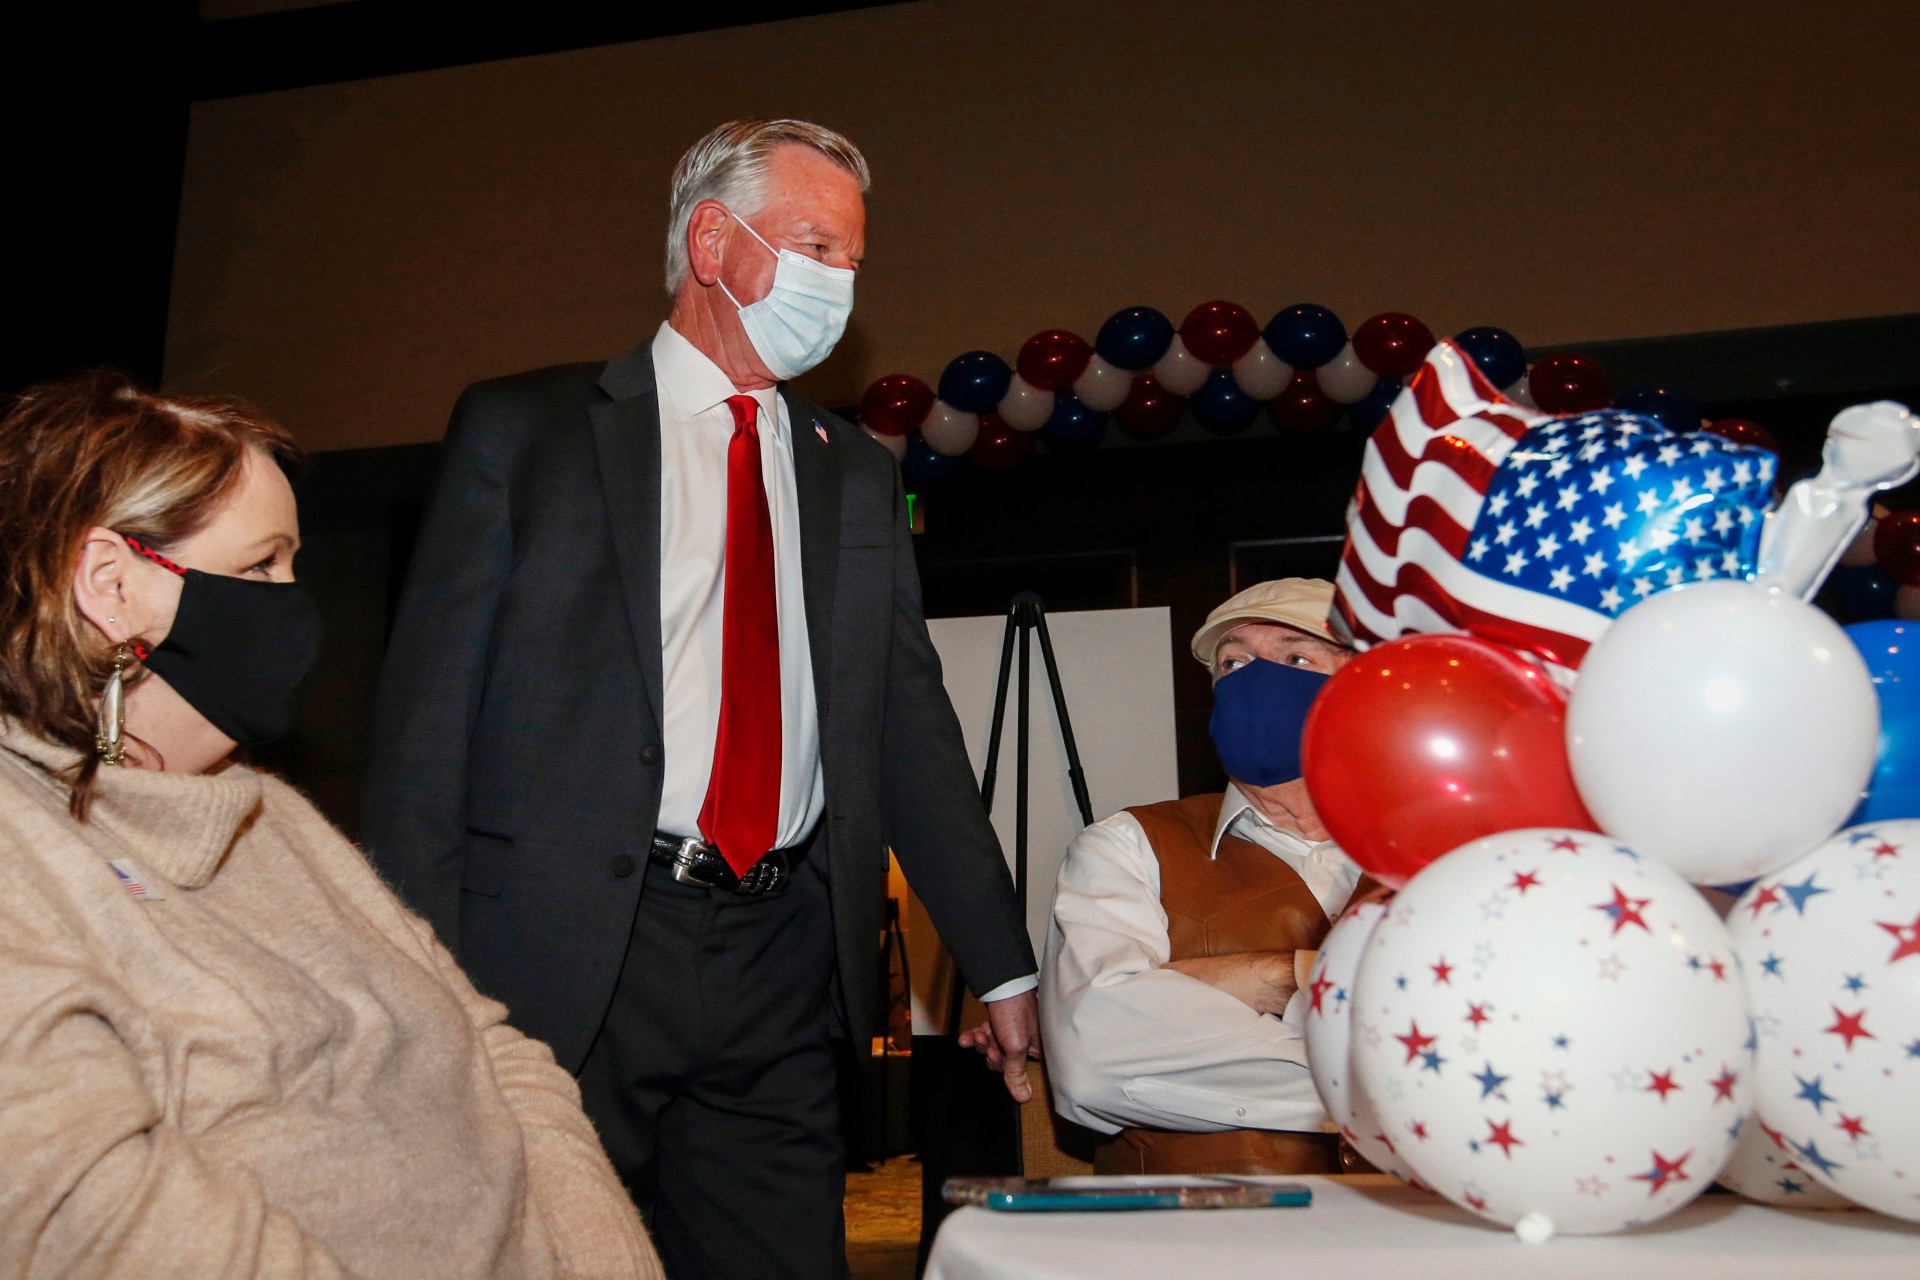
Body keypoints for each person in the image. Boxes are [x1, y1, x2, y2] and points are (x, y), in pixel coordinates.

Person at [359, 118, 1037, 1280]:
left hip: (781, 950)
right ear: (712, 241)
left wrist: (1002, 959)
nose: (839, 281)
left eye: (854, 260)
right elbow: (425, 733)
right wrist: (409, 978)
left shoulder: (854, 471)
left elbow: (908, 730)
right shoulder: (528, 433)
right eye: (814, 244)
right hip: (564, 952)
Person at [0, 373, 661, 1279]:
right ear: (113, 586)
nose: (295, 603)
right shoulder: (20, 850)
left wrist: (605, 1259)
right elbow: (97, 1217)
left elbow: (495, 1050)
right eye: (261, 565)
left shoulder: (272, 812)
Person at [1040, 577, 1376, 1176]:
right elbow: (1096, 1056)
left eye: (1295, 657)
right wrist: (1287, 977)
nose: (1253, 680)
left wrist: (1200, 992)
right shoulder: (1127, 848)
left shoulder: (1444, 856)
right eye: (1233, 662)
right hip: (1206, 1243)